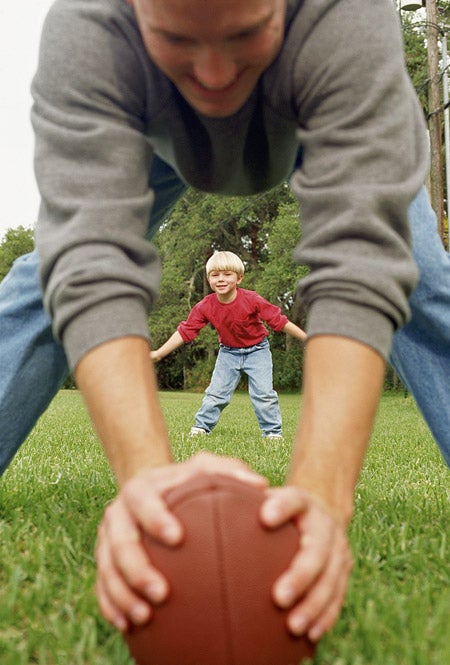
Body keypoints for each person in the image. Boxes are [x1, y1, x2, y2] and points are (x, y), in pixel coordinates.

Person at [0, 0, 449, 645]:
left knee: (418, 271)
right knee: (50, 274)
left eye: (246, 33)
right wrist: (147, 482)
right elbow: (91, 263)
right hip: (156, 132)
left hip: (311, 107)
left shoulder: (346, 16)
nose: (214, 76)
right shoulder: (88, 27)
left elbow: (360, 261)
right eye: (177, 38)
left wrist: (323, 492)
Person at [150, 250, 306, 438]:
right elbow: (186, 331)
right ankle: (202, 427)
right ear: (209, 280)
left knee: (264, 394)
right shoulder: (205, 306)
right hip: (228, 353)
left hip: (258, 350)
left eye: (227, 274)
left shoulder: (252, 299)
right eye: (215, 275)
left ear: (239, 278)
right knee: (216, 393)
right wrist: (158, 353)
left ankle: (272, 432)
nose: (221, 279)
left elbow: (279, 321)